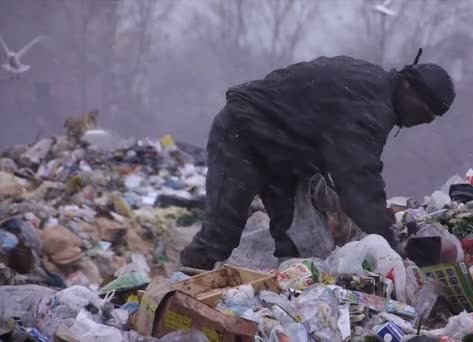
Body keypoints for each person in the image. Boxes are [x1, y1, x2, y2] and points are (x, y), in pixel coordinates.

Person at [180, 50, 456, 270]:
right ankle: (174, 301)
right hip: (243, 134)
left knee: (300, 247)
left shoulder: (376, 88)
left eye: (430, 119)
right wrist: (388, 242)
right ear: (408, 85)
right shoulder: (371, 105)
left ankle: (282, 307)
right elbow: (358, 178)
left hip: (287, 155)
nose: (420, 122)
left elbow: (349, 167)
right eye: (423, 111)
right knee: (218, 239)